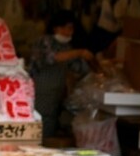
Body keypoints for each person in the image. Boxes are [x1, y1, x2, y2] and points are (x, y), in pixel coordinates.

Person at [28, 9, 93, 138]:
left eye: (71, 29)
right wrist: (79, 52)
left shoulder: (67, 47)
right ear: (56, 27)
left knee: (48, 126)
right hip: (38, 93)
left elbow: (78, 68)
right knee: (36, 124)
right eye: (67, 28)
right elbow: (54, 57)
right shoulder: (44, 41)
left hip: (54, 96)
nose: (70, 32)